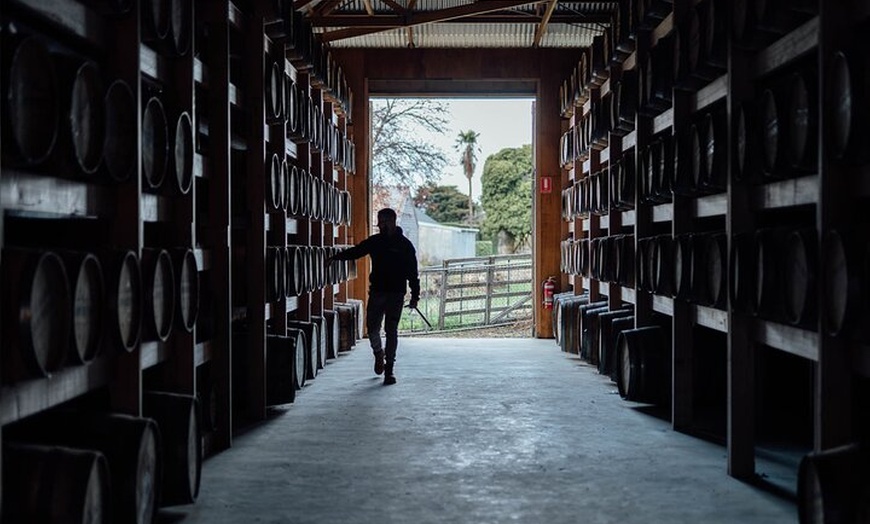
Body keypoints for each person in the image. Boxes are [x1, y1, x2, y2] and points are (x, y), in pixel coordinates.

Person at [328, 208, 420, 385]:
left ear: (393, 221)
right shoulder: (375, 241)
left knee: (391, 331)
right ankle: (378, 353)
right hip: (377, 292)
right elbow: (357, 251)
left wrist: (415, 296)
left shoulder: (405, 245)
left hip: (396, 294)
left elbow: (412, 273)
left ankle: (390, 371)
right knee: (372, 329)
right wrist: (337, 257)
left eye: (384, 221)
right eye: (379, 222)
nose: (381, 225)